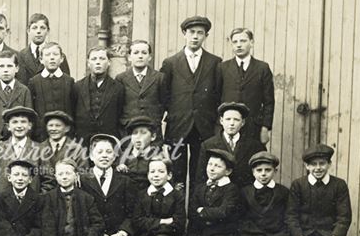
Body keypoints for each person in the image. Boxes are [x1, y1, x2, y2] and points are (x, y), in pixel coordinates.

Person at [159, 15, 222, 187]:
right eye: (191, 32)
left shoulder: (215, 62)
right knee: (176, 172)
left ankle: (195, 213)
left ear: (206, 36)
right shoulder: (170, 63)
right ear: (184, 34)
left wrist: (216, 124)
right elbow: (164, 95)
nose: (195, 36)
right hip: (178, 125)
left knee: (200, 172)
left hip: (204, 126)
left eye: (200, 33)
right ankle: (177, 213)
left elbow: (218, 95)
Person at [220, 28, 274, 143]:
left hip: (253, 127)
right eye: (235, 42)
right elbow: (215, 98)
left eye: (243, 41)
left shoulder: (262, 68)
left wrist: (265, 128)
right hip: (228, 127)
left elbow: (269, 102)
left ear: (252, 43)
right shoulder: (223, 68)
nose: (239, 45)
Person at [196, 102, 266, 189]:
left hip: (244, 198)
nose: (232, 123)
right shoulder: (208, 145)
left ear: (243, 122)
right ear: (221, 121)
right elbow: (200, 180)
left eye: (236, 120)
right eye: (228, 119)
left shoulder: (255, 146)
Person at [117, 40, 165, 143]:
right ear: (129, 57)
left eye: (144, 53)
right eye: (136, 53)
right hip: (128, 130)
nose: (140, 56)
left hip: (152, 130)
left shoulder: (159, 78)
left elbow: (164, 103)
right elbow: (118, 105)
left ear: (150, 57)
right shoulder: (121, 78)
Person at [74, 47, 125, 144]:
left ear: (109, 62)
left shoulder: (118, 88)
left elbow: (120, 115)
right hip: (82, 142)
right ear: (88, 63)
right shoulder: (77, 87)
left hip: (108, 141)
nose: (98, 62)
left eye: (102, 59)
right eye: (94, 59)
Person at [0, 52, 33, 143]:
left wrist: (18, 139)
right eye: (2, 66)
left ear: (16, 68)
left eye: (9, 66)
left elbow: (29, 119)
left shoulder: (24, 91)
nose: (5, 70)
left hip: (18, 141)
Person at [28, 42, 76, 141]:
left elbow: (73, 108)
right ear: (41, 59)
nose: (52, 58)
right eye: (47, 55)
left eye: (55, 54)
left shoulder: (69, 81)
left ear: (62, 58)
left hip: (65, 134)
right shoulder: (34, 82)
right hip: (41, 135)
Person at [0, 107, 42, 195]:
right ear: (8, 126)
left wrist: (39, 199)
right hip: (4, 203)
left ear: (30, 125)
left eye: (23, 122)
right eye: (15, 122)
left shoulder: (39, 149)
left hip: (33, 204)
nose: (19, 126)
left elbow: (47, 180)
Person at [39, 111, 84, 193]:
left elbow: (82, 174)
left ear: (67, 128)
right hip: (45, 195)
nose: (53, 129)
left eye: (58, 126)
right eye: (50, 125)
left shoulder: (76, 149)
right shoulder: (39, 148)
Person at [19, 13, 70, 80]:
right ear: (28, 31)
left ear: (48, 31)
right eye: (34, 28)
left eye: (42, 28)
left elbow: (66, 81)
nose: (38, 31)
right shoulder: (21, 56)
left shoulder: (58, 56)